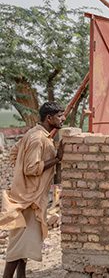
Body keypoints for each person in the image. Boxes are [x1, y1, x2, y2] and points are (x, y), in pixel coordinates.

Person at [0, 102, 65, 278]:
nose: (63, 119)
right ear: (49, 118)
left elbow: (15, 154)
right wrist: (57, 159)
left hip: (27, 196)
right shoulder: (38, 139)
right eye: (59, 116)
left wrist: (21, 181)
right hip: (29, 200)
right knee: (18, 246)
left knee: (24, 245)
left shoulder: (33, 134)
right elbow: (31, 168)